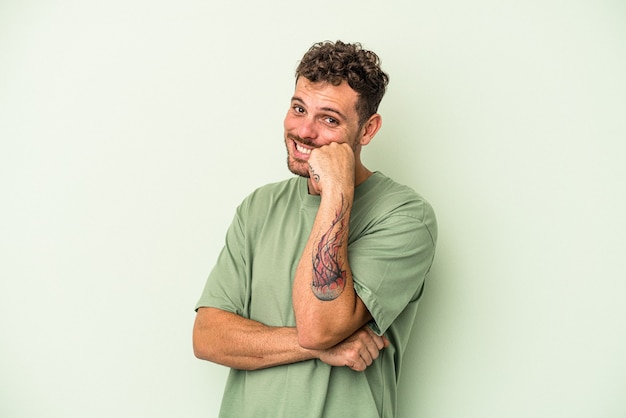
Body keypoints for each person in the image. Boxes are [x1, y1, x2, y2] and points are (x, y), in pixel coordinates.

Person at [193, 40, 437, 418]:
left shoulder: (404, 216)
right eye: (298, 108)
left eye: (329, 119)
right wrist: (322, 349)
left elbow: (319, 327)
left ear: (368, 129)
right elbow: (207, 336)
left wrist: (337, 191)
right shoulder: (258, 207)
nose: (304, 131)